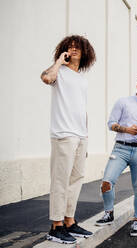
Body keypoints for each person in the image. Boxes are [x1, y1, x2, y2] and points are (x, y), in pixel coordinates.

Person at [40, 35, 96, 244]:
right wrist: (58, 62)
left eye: (77, 47)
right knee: (60, 182)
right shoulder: (59, 72)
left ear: (85, 52)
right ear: (64, 50)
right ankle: (56, 226)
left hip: (80, 136)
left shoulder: (82, 79)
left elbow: (82, 110)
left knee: (76, 180)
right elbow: (46, 78)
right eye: (70, 47)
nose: (73, 50)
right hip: (63, 134)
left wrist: (86, 136)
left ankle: (70, 221)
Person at [95, 75, 137, 237]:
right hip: (120, 149)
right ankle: (109, 212)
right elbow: (111, 124)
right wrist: (126, 129)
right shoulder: (123, 102)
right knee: (106, 182)